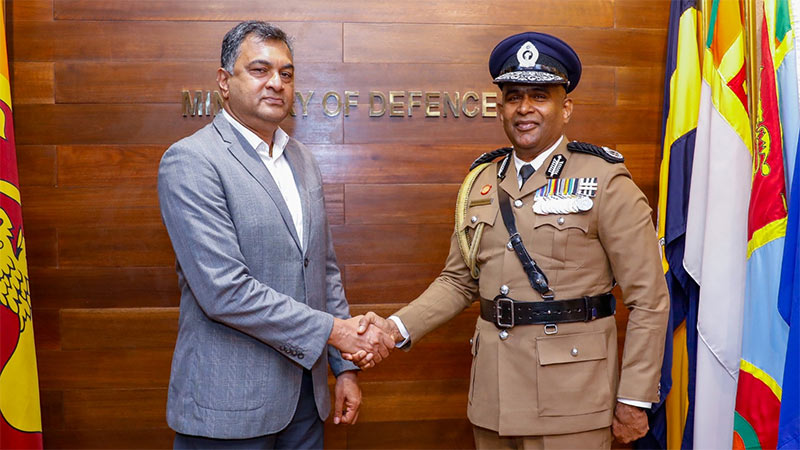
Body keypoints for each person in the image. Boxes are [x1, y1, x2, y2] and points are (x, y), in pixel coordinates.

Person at [346, 32, 670, 449]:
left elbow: (649, 298)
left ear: (566, 108)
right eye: (514, 96)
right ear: (500, 108)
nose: (525, 108)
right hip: (494, 399)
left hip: (572, 401)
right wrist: (394, 329)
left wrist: (634, 398)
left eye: (540, 96)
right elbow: (458, 281)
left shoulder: (605, 181)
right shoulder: (480, 182)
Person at [158, 21, 393, 449]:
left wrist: (344, 368)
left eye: (286, 73)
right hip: (229, 408)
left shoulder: (301, 159)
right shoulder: (192, 161)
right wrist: (336, 331)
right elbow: (224, 291)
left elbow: (323, 270)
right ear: (224, 82)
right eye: (260, 70)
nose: (276, 83)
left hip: (306, 403)